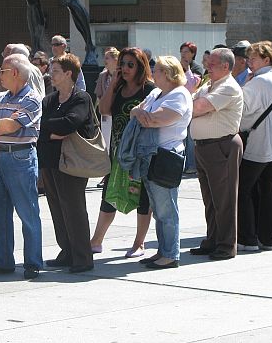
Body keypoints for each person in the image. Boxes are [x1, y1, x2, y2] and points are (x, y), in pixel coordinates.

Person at [90, 47, 155, 257]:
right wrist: (114, 84)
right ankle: (96, 240)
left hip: (141, 153)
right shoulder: (118, 88)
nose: (125, 68)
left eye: (130, 65)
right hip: (118, 151)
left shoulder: (149, 90)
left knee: (142, 196)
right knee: (109, 192)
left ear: (140, 67)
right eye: (122, 65)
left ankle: (139, 243)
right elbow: (104, 109)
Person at [131, 57, 192, 268]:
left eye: (156, 70)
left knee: (167, 209)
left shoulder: (179, 95)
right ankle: (163, 251)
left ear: (167, 74)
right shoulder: (157, 93)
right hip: (151, 155)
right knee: (158, 209)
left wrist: (141, 113)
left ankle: (171, 254)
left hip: (166, 156)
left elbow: (155, 119)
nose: (152, 74)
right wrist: (140, 113)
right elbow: (135, 111)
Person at [0, 54, 44, 280]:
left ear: (15, 73)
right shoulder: (0, 98)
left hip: (20, 158)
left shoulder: (32, 98)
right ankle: (3, 261)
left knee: (27, 212)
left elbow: (9, 126)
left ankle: (32, 262)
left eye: (2, 71)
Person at [39, 53, 97, 273]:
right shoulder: (50, 100)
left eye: (55, 71)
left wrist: (50, 128)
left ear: (68, 74)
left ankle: (83, 257)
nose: (50, 75)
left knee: (74, 208)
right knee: (57, 207)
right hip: (50, 160)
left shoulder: (81, 98)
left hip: (73, 162)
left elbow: (72, 122)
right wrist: (52, 130)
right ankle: (67, 251)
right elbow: (39, 127)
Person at [190, 48, 244, 260]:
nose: (207, 67)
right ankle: (213, 240)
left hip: (221, 146)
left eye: (212, 64)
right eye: (207, 63)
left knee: (224, 199)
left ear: (225, 67)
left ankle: (226, 245)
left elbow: (197, 107)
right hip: (205, 146)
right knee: (210, 199)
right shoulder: (209, 85)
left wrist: (190, 104)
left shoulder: (228, 87)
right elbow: (191, 103)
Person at [236, 41, 272, 251]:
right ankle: (268, 238)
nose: (250, 62)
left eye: (254, 58)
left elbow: (242, 109)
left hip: (259, 142)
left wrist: (243, 87)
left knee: (243, 189)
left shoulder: (258, 82)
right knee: (267, 189)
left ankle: (248, 238)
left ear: (266, 59)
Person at [95, 47, 119, 148]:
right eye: (104, 58)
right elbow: (98, 95)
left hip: (118, 112)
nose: (104, 61)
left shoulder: (122, 75)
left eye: (107, 58)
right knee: (106, 141)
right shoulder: (102, 75)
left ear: (116, 60)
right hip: (106, 114)